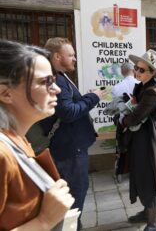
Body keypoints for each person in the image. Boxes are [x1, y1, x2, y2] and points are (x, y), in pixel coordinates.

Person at [0, 39, 75, 230]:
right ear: (5, 93)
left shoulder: (16, 139)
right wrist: (44, 221)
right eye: (44, 81)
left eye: (54, 80)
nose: (56, 89)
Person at [44, 37, 106, 229]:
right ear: (57, 56)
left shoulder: (59, 76)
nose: (74, 59)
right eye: (70, 55)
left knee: (73, 196)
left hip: (68, 147)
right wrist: (93, 97)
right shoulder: (58, 80)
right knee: (74, 197)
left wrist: (84, 98)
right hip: (71, 150)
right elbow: (68, 112)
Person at [123, 49, 156, 231]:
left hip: (148, 141)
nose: (137, 72)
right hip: (138, 138)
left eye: (141, 70)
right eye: (136, 68)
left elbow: (136, 117)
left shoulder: (152, 92)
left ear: (152, 72)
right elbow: (136, 109)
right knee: (140, 176)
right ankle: (145, 212)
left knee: (148, 178)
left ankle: (152, 223)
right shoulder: (141, 87)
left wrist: (122, 117)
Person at [111, 62, 138, 180]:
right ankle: (136, 173)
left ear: (122, 72)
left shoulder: (116, 87)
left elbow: (116, 108)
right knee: (137, 148)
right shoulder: (140, 84)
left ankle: (120, 173)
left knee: (121, 147)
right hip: (138, 122)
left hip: (123, 122)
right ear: (134, 70)